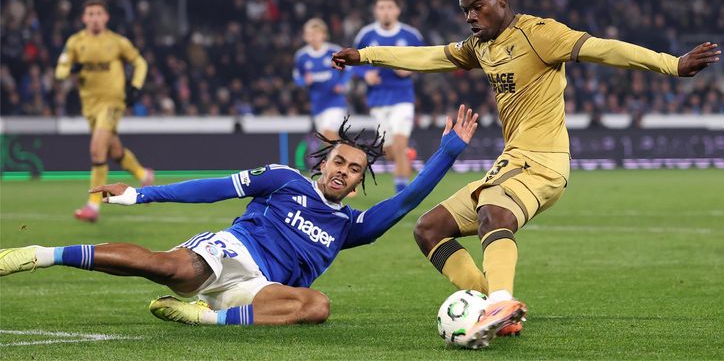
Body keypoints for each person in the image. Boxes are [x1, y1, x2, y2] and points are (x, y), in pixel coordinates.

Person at [333, 0, 720, 348]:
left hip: (544, 160)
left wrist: (671, 63)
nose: (469, 16)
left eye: (477, 6)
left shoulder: (540, 34)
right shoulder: (480, 46)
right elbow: (431, 56)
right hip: (514, 161)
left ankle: (500, 302)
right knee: (429, 229)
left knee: (493, 208)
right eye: (465, 9)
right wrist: (365, 56)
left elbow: (606, 49)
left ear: (502, 1)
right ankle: (492, 307)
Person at [0, 107, 479, 326]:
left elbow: (404, 201)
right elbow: (212, 188)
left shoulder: (352, 227)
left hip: (257, 290)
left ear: (358, 183)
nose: (344, 172)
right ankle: (40, 254)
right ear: (324, 161)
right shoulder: (283, 179)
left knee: (318, 307)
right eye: (339, 161)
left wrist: (446, 154)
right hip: (230, 253)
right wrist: (139, 197)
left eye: (354, 170)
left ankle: (207, 318)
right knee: (168, 267)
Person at [55, 0, 153, 223]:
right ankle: (143, 174)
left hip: (113, 103)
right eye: (90, 14)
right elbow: (59, 71)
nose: (95, 18)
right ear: (84, 18)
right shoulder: (75, 43)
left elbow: (140, 62)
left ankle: (93, 206)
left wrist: (136, 86)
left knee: (97, 151)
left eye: (99, 13)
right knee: (114, 151)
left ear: (106, 17)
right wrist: (71, 68)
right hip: (90, 105)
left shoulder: (117, 42)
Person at [353, 0, 424, 193]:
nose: (386, 12)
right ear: (376, 11)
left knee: (400, 146)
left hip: (403, 98)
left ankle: (402, 194)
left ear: (398, 10)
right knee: (389, 151)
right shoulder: (366, 35)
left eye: (390, 7)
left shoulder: (411, 35)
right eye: (382, 7)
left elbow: (426, 60)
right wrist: (365, 75)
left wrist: (410, 69)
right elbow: (353, 63)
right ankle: (407, 158)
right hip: (377, 100)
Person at [293, 18, 351, 141]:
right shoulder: (301, 56)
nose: (313, 37)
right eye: (309, 34)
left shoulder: (333, 51)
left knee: (327, 132)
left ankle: (345, 157)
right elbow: (297, 78)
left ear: (324, 35)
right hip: (317, 105)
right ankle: (344, 156)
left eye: (316, 34)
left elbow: (349, 69)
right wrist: (304, 81)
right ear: (305, 36)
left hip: (335, 102)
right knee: (326, 140)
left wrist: (341, 84)